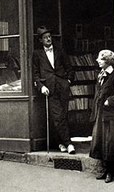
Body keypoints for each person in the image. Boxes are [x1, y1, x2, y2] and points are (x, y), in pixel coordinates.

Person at [32, 26, 76, 154]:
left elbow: (69, 68)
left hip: (62, 87)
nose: (48, 39)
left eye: (49, 37)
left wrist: (68, 81)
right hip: (49, 89)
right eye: (45, 38)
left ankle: (59, 143)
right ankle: (69, 144)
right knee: (58, 116)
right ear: (40, 40)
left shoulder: (59, 51)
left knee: (64, 115)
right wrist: (41, 87)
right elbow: (35, 74)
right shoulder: (37, 54)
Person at [89, 50, 114, 183]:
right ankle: (105, 170)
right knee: (101, 142)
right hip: (101, 114)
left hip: (111, 115)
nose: (97, 61)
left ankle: (111, 172)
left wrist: (109, 101)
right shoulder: (101, 75)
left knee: (110, 143)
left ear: (107, 61)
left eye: (100, 59)